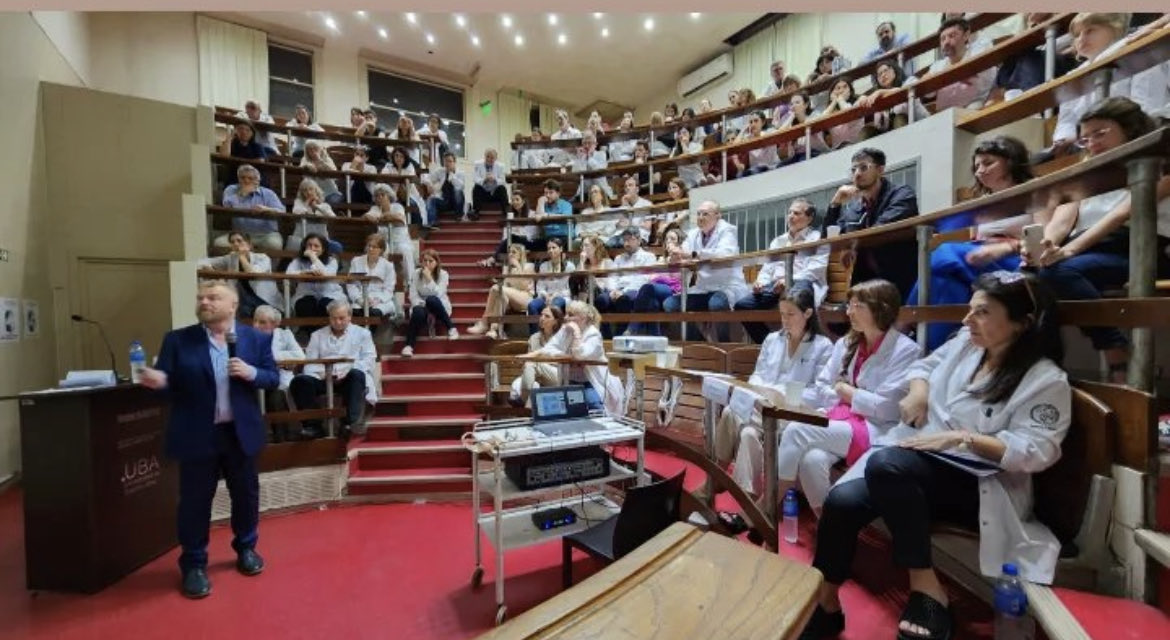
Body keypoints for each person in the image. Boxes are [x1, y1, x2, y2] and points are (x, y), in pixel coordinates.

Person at [799, 272, 1069, 640]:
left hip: (979, 483)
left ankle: (927, 590)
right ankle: (827, 602)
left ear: (1022, 323)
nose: (967, 320)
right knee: (843, 500)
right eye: (970, 310)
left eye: (982, 313)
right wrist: (920, 392)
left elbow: (1038, 451)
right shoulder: (965, 345)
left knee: (887, 465)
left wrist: (963, 438)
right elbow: (923, 366)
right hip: (918, 466)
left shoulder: (1045, 380)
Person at [138, 281, 279, 599]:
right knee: (194, 502)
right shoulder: (178, 340)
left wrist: (251, 373)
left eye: (213, 297)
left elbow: (273, 377)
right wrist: (159, 382)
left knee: (245, 495)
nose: (204, 302)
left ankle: (246, 548)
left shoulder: (255, 338)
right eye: (200, 297)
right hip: (197, 433)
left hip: (238, 433)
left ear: (233, 306)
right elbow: (169, 388)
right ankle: (193, 564)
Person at [1025, 97, 1170, 382]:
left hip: (1142, 245)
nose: (1091, 143)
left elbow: (1120, 215)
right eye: (1085, 138)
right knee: (1029, 277)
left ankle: (1116, 350)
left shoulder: (1160, 162)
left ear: (1129, 129)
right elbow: (1063, 218)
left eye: (1100, 133)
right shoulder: (1087, 170)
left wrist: (1068, 251)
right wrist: (1046, 246)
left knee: (1060, 270)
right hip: (1093, 246)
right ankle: (1044, 366)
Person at [778, 279, 921, 514]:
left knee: (796, 429)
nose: (849, 312)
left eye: (858, 306)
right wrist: (846, 396)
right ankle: (827, 526)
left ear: (880, 309)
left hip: (876, 428)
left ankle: (765, 506)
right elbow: (824, 384)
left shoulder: (906, 350)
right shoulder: (846, 342)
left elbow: (888, 408)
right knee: (812, 460)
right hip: (842, 419)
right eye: (849, 305)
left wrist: (848, 392)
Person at [907, 136, 1036, 351]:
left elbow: (1041, 237)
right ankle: (943, 354)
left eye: (988, 163)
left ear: (1010, 160)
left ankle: (907, 320)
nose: (980, 171)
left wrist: (1007, 247)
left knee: (944, 251)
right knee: (946, 283)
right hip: (979, 259)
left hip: (1015, 259)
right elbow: (952, 227)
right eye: (977, 166)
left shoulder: (1035, 190)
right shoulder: (982, 203)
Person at [715, 287, 834, 497]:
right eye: (781, 314)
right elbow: (757, 375)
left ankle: (716, 478)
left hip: (795, 413)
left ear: (807, 314)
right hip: (763, 408)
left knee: (729, 412)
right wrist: (759, 392)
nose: (785, 320)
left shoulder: (823, 346)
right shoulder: (772, 339)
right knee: (748, 434)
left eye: (791, 314)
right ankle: (748, 497)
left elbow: (820, 392)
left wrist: (777, 393)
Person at [1049, 13, 1170, 158]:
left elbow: (1147, 106)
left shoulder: (1137, 50)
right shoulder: (1072, 76)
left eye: (1090, 31)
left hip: (1145, 130)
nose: (1081, 39)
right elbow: (1066, 122)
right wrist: (1063, 139)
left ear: (1115, 29)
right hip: (1092, 144)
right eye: (1076, 35)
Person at [822, 148, 921, 297]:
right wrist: (835, 202)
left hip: (898, 278)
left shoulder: (902, 195)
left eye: (864, 167)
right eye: (854, 169)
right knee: (843, 316)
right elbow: (828, 236)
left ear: (880, 170)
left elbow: (879, 231)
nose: (857, 173)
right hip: (864, 280)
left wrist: (851, 245)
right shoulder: (855, 207)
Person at [735, 199, 829, 344]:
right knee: (742, 306)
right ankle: (770, 344)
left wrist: (788, 280)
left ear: (809, 218)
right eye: (789, 212)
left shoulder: (817, 237)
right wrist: (760, 283)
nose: (791, 216)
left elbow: (816, 269)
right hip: (774, 285)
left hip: (802, 283)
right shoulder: (778, 241)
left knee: (799, 299)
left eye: (796, 213)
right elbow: (767, 268)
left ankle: (803, 342)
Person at [663, 201, 751, 342]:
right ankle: (698, 343)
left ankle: (725, 345)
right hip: (702, 289)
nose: (700, 217)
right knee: (670, 304)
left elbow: (723, 254)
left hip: (726, 287)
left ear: (717, 216)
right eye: (698, 214)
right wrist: (674, 255)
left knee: (716, 305)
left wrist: (690, 254)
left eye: (705, 214)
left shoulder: (727, 230)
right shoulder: (693, 234)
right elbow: (682, 254)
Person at [289, 300, 377, 440]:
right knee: (300, 381)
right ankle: (312, 426)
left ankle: (349, 424)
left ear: (350, 316)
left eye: (341, 318)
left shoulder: (363, 334)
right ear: (329, 317)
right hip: (323, 376)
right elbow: (310, 362)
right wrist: (323, 374)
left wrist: (346, 371)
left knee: (357, 375)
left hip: (348, 376)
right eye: (334, 318)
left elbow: (369, 359)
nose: (337, 322)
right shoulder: (317, 335)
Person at [521, 300, 625, 415]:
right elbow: (549, 348)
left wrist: (576, 333)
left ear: (583, 318)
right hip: (570, 382)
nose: (565, 318)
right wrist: (564, 355)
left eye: (570, 315)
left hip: (591, 383)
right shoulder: (565, 330)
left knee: (593, 404)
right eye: (566, 314)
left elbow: (580, 355)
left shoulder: (593, 334)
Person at [910, 17, 997, 111]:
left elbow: (989, 79)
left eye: (952, 36)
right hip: (946, 112)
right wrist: (925, 82)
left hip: (977, 104)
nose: (946, 42)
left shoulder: (978, 52)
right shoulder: (937, 66)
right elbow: (928, 94)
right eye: (943, 39)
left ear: (966, 35)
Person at [198, 231, 283, 318]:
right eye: (232, 242)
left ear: (249, 245)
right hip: (242, 303)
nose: (236, 244)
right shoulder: (231, 258)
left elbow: (252, 273)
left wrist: (241, 256)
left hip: (264, 301)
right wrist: (210, 268)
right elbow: (202, 262)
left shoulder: (263, 258)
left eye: (239, 241)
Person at [251, 305, 304, 443]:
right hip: (254, 382)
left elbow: (300, 355)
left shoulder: (285, 335)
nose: (256, 325)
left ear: (274, 324)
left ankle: (282, 441)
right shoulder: (247, 337)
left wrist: (274, 356)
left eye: (262, 322)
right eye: (255, 321)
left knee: (277, 396)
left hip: (278, 381)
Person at [596, 227, 657, 337]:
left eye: (630, 239)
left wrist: (623, 292)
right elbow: (612, 277)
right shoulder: (619, 258)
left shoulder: (648, 257)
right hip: (616, 290)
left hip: (634, 290)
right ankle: (606, 336)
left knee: (623, 300)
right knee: (600, 300)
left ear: (639, 240)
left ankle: (621, 335)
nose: (627, 243)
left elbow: (643, 279)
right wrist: (612, 290)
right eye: (625, 240)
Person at [467, 244, 535, 340]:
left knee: (496, 289)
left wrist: (518, 266)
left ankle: (484, 322)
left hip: (525, 298)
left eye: (514, 252)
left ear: (521, 254)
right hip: (510, 297)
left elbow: (523, 285)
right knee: (500, 296)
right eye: (509, 252)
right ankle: (494, 330)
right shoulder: (507, 268)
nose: (510, 254)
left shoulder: (529, 266)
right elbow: (506, 286)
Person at [402, 249, 458, 357]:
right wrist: (421, 303)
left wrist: (429, 279)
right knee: (417, 312)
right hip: (421, 304)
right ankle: (409, 345)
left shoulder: (443, 274)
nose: (427, 264)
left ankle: (451, 328)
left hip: (438, 305)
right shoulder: (416, 273)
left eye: (430, 261)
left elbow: (439, 293)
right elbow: (413, 294)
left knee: (432, 299)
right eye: (425, 261)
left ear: (436, 263)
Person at [630, 228, 685, 336]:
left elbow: (679, 280)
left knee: (647, 288)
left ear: (680, 242)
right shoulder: (661, 260)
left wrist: (675, 259)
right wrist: (663, 278)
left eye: (672, 239)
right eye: (667, 239)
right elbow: (652, 277)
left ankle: (633, 328)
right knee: (652, 302)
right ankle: (655, 337)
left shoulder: (684, 260)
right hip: (658, 290)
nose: (669, 242)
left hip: (675, 291)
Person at [216, 164, 284, 252]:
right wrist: (242, 195)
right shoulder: (231, 189)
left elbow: (282, 210)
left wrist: (267, 209)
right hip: (239, 234)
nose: (246, 181)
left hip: (265, 234)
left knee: (274, 244)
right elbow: (226, 205)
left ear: (257, 181)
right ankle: (236, 265)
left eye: (250, 178)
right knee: (219, 243)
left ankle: (265, 266)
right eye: (243, 178)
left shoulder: (268, 193)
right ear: (238, 179)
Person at [855, 61, 930, 137]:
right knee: (866, 130)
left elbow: (902, 92)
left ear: (894, 70)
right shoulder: (878, 97)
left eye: (886, 70)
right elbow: (880, 127)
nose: (883, 75)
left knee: (899, 119)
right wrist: (862, 98)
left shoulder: (909, 81)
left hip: (919, 126)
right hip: (890, 135)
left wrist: (881, 92)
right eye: (879, 74)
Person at [509, 305, 564, 407]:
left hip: (558, 375)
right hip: (536, 375)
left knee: (532, 363)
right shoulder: (534, 338)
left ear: (556, 321)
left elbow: (560, 362)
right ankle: (527, 415)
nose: (542, 318)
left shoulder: (562, 338)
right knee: (528, 384)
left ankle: (522, 399)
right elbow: (528, 365)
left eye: (547, 316)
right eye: (541, 315)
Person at [365, 183, 415, 288]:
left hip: (400, 240)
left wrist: (387, 216)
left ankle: (411, 282)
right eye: (377, 196)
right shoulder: (375, 209)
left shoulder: (397, 206)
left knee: (405, 251)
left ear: (389, 196)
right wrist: (371, 217)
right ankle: (382, 282)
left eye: (382, 195)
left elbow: (399, 217)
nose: (380, 198)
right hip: (385, 242)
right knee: (380, 251)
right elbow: (367, 215)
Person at [286, 233, 344, 319]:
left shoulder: (332, 260)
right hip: (305, 294)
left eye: (316, 246)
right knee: (305, 306)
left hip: (329, 294)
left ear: (323, 249)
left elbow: (327, 274)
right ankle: (313, 332)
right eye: (309, 245)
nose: (312, 248)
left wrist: (313, 257)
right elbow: (288, 273)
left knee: (327, 306)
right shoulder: (298, 260)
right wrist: (303, 273)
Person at [527, 237, 574, 333]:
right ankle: (536, 335)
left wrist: (555, 295)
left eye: (554, 247)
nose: (551, 250)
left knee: (555, 304)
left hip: (562, 297)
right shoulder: (543, 266)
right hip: (546, 297)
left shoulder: (570, 266)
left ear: (561, 249)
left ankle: (552, 334)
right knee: (532, 305)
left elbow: (569, 289)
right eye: (549, 248)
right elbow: (540, 286)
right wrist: (545, 295)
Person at [482, 192, 542, 267]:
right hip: (513, 244)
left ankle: (493, 258)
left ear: (523, 201)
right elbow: (505, 235)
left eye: (517, 199)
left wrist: (519, 232)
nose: (514, 202)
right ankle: (494, 258)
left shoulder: (532, 214)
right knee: (511, 238)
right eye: (513, 200)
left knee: (514, 237)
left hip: (528, 242)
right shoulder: (511, 215)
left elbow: (534, 233)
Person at [347, 233, 397, 319]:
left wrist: (376, 300)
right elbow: (351, 284)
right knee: (356, 313)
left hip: (380, 301)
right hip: (360, 299)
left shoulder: (388, 266)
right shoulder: (356, 261)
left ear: (381, 250)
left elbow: (389, 289)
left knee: (373, 314)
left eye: (374, 247)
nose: (370, 249)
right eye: (369, 246)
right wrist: (359, 300)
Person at [289, 178, 343, 255]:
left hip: (321, 239)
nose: (308, 192)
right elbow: (296, 212)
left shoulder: (324, 205)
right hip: (303, 238)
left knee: (337, 247)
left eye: (311, 189)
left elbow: (332, 216)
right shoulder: (299, 203)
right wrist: (307, 203)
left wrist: (317, 207)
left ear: (316, 190)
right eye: (305, 190)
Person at [381, 146, 428, 220]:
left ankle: (418, 225)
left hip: (409, 193)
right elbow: (384, 176)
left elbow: (409, 180)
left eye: (401, 156)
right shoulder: (388, 166)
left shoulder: (410, 167)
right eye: (396, 156)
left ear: (405, 158)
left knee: (412, 204)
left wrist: (399, 170)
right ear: (393, 157)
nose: (398, 158)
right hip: (392, 192)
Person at [424, 151, 465, 228]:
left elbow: (461, 186)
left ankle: (459, 215)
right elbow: (426, 178)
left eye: (450, 161)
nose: (447, 163)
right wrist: (429, 184)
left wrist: (451, 176)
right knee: (431, 199)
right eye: (445, 161)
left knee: (458, 191)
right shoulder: (440, 171)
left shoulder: (460, 173)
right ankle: (432, 222)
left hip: (456, 203)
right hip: (444, 201)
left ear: (454, 162)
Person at [299, 141, 344, 206]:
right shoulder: (305, 160)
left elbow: (334, 173)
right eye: (310, 149)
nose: (313, 151)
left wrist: (319, 160)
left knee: (334, 202)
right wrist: (308, 166)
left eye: (315, 148)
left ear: (320, 149)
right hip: (314, 194)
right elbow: (302, 169)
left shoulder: (327, 159)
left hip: (331, 192)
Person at [533, 179, 573, 247]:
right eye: (545, 193)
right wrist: (540, 202)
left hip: (563, 237)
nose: (548, 195)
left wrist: (547, 215)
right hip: (548, 237)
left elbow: (565, 217)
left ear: (558, 193)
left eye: (551, 192)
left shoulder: (566, 205)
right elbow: (538, 218)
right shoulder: (543, 205)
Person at [472, 148, 509, 216]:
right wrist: (484, 180)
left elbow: (503, 180)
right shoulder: (477, 164)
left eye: (492, 157)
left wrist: (494, 179)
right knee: (476, 187)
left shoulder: (501, 166)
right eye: (487, 156)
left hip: (494, 193)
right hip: (483, 193)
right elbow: (475, 178)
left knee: (502, 188)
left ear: (495, 158)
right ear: (484, 156)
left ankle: (506, 212)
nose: (489, 159)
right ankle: (475, 212)